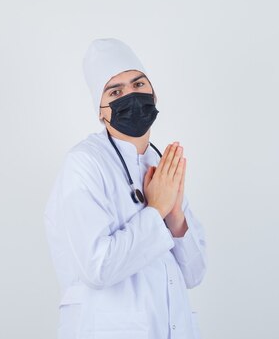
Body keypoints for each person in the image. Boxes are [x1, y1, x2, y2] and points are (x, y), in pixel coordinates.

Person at [45, 38, 207, 339]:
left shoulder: (160, 164)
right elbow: (99, 267)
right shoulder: (84, 164)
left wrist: (174, 218)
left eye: (138, 84)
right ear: (101, 110)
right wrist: (155, 209)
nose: (131, 96)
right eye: (115, 91)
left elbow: (195, 274)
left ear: (154, 94)